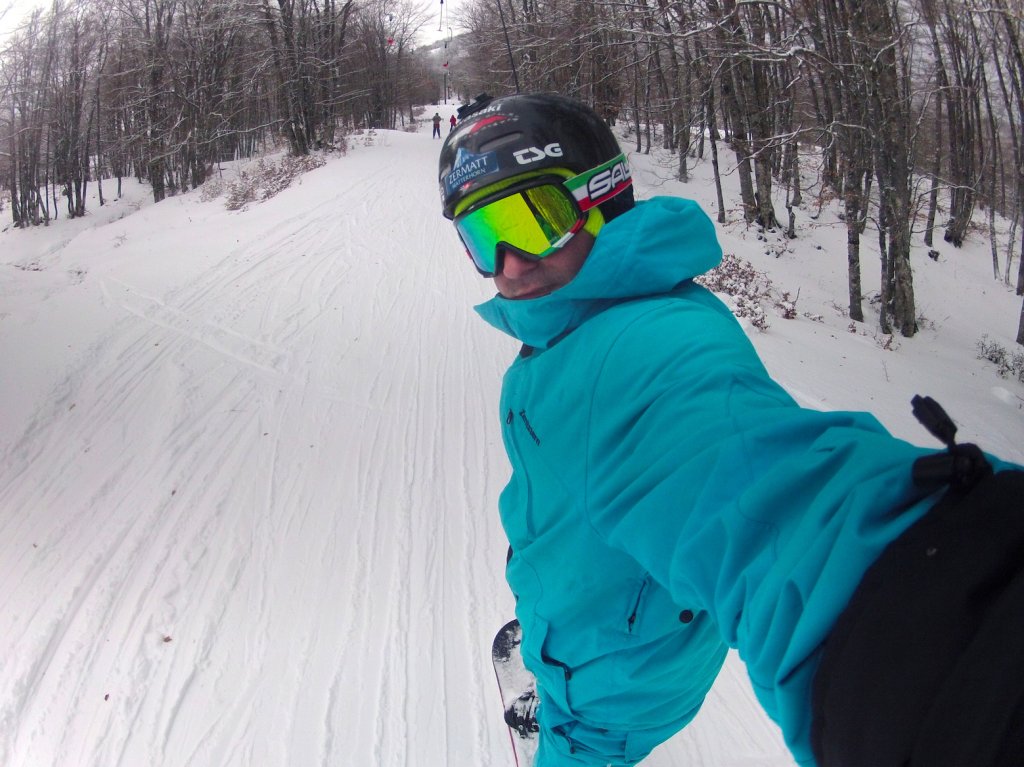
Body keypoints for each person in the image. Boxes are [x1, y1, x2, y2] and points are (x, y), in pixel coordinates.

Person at [437, 92, 1024, 767]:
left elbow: (777, 508)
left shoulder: (640, 355)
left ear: (603, 196)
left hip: (604, 693)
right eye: (483, 236)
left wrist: (956, 628)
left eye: (535, 219)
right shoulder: (584, 314)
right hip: (602, 627)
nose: (509, 264)